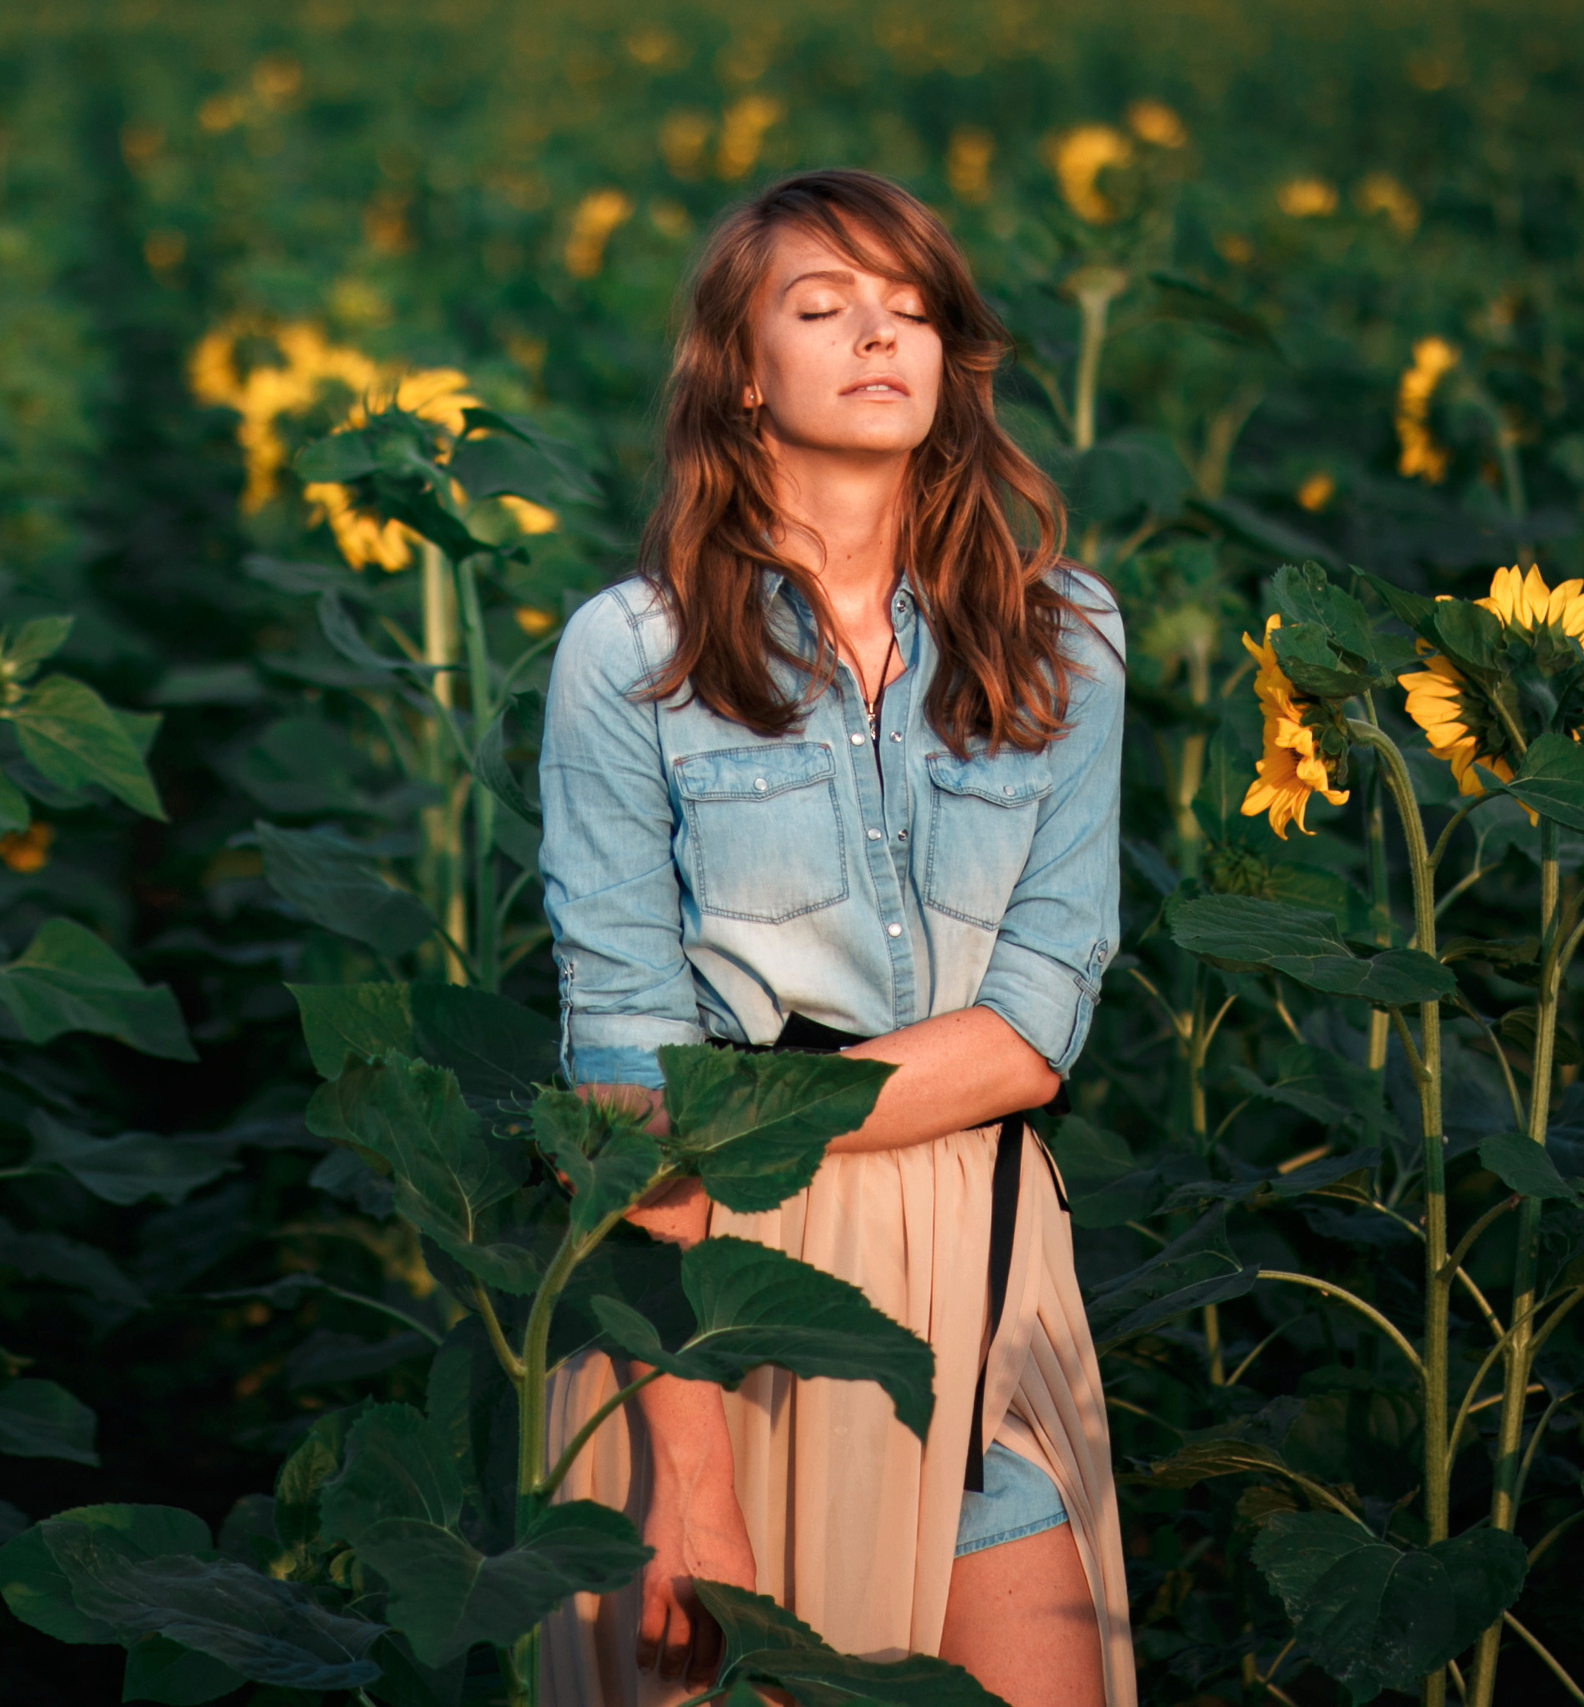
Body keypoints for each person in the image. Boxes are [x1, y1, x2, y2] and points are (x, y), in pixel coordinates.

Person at [534, 169, 1130, 1707]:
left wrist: (738, 1103)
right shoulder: (635, 656)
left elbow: (1036, 1033)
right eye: (824, 308)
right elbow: (619, 1078)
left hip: (985, 1262)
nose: (881, 337)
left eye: (912, 309)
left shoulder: (1065, 639)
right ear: (743, 371)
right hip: (714, 1285)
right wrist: (693, 1474)